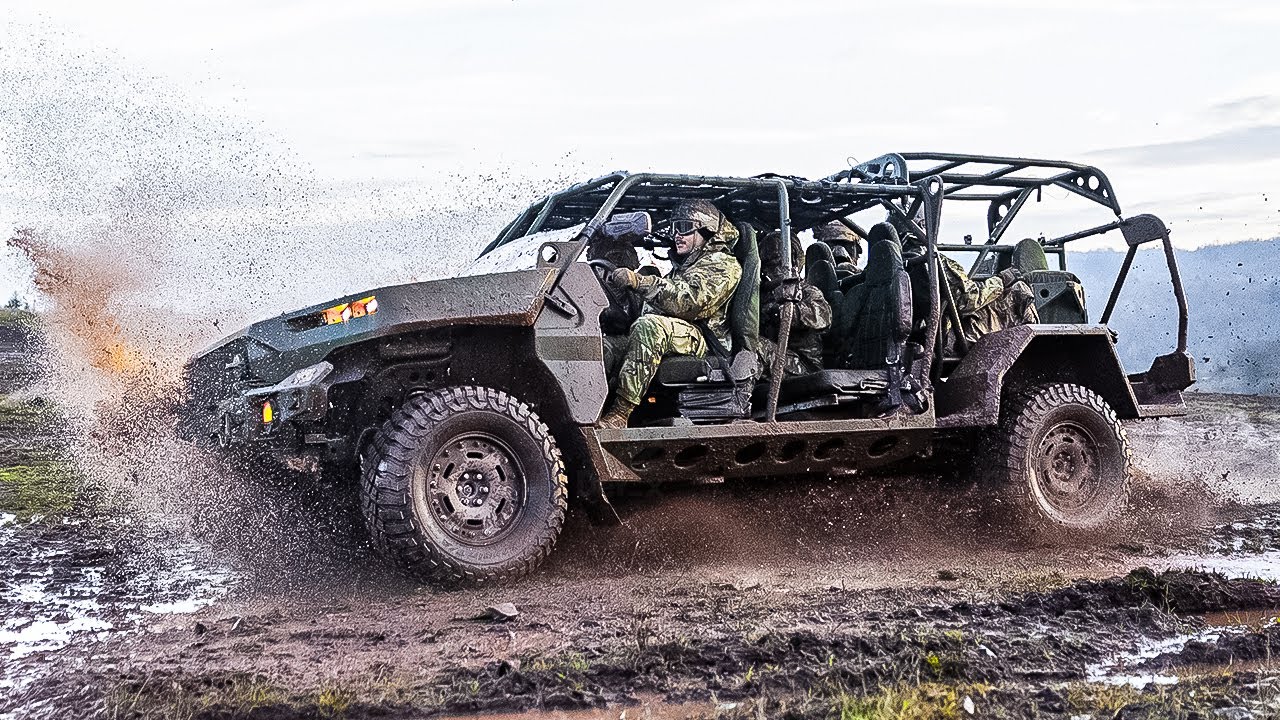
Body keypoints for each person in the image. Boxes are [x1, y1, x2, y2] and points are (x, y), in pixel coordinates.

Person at [597, 200, 742, 428]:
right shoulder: (685, 265)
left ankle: (620, 414)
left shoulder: (723, 265)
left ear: (706, 230)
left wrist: (640, 281)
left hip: (705, 338)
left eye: (684, 227)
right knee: (602, 347)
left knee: (650, 328)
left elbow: (690, 303)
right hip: (678, 332)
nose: (677, 235)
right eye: (674, 228)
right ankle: (590, 410)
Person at [758, 230, 832, 377]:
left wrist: (782, 311)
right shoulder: (763, 295)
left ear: (793, 260)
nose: (769, 270)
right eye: (765, 265)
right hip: (780, 362)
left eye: (775, 263)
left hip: (804, 367)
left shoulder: (806, 291)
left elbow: (822, 318)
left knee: (755, 346)